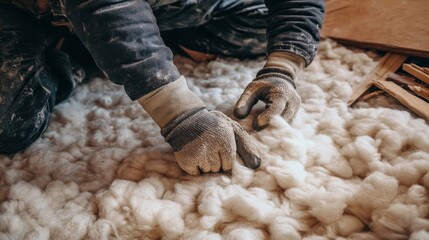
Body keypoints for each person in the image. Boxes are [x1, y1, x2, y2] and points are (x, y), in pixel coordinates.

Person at [0, 0, 325, 175]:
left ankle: (128, 42)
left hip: (162, 7)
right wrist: (179, 111)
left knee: (261, 26)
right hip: (31, 13)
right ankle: (80, 54)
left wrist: (284, 66)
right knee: (9, 125)